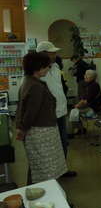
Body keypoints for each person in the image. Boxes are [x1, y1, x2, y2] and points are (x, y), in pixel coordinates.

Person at [15, 52, 67, 184]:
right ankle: (49, 199)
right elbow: (30, 112)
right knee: (46, 169)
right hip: (41, 132)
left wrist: (22, 128)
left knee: (38, 167)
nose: (48, 69)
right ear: (37, 68)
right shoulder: (35, 86)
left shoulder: (29, 82)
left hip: (41, 130)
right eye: (46, 66)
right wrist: (23, 129)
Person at [36, 41, 77, 178]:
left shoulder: (55, 66)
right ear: (43, 54)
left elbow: (59, 87)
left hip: (61, 111)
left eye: (54, 52)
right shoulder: (37, 71)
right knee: (52, 145)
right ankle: (53, 173)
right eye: (51, 52)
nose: (54, 54)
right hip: (48, 115)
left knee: (63, 142)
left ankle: (62, 169)